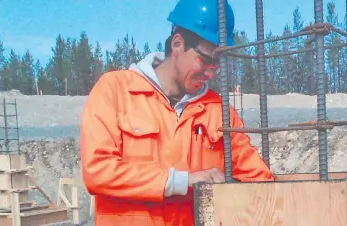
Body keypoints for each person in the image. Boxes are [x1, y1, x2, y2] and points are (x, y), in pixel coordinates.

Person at [80, 0, 274, 225]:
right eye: (206, 60)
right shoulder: (116, 90)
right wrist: (182, 181)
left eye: (218, 65)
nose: (211, 73)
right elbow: (98, 171)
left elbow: (260, 181)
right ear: (178, 43)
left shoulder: (220, 112)